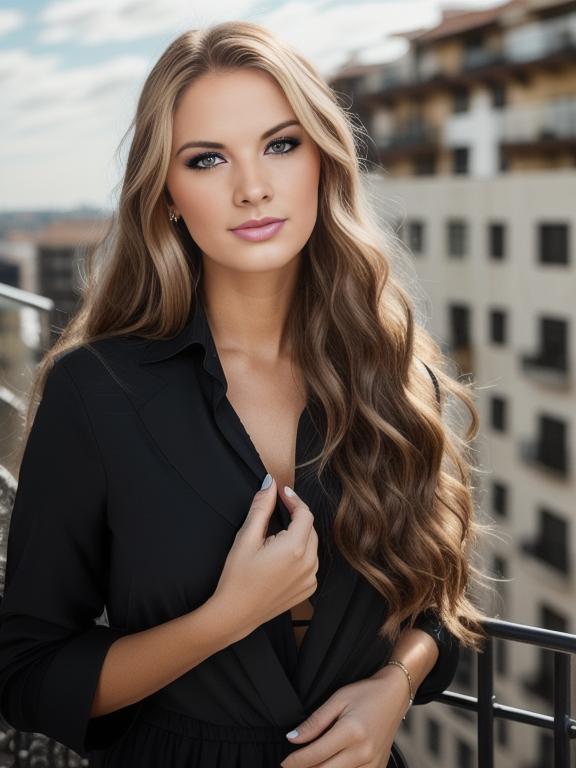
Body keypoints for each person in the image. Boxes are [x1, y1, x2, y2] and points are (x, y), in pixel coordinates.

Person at [0, 20, 492, 768]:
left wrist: (396, 680)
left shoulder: (394, 376)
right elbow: (27, 675)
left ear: (323, 162)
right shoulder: (94, 392)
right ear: (165, 191)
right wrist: (225, 618)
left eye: (281, 144)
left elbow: (440, 605)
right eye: (207, 159)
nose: (253, 187)